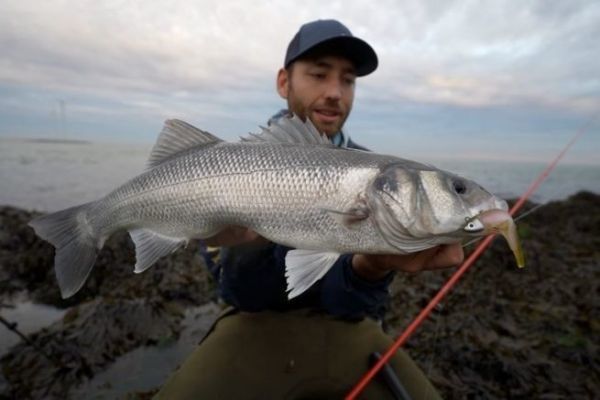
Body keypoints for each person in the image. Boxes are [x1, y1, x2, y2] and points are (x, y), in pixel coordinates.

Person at [155, 19, 463, 399]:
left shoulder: (382, 176)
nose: (335, 92)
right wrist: (245, 249)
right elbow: (240, 295)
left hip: (350, 329)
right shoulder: (229, 167)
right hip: (254, 325)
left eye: (348, 80)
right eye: (319, 74)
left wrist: (371, 267)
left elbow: (352, 306)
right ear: (284, 82)